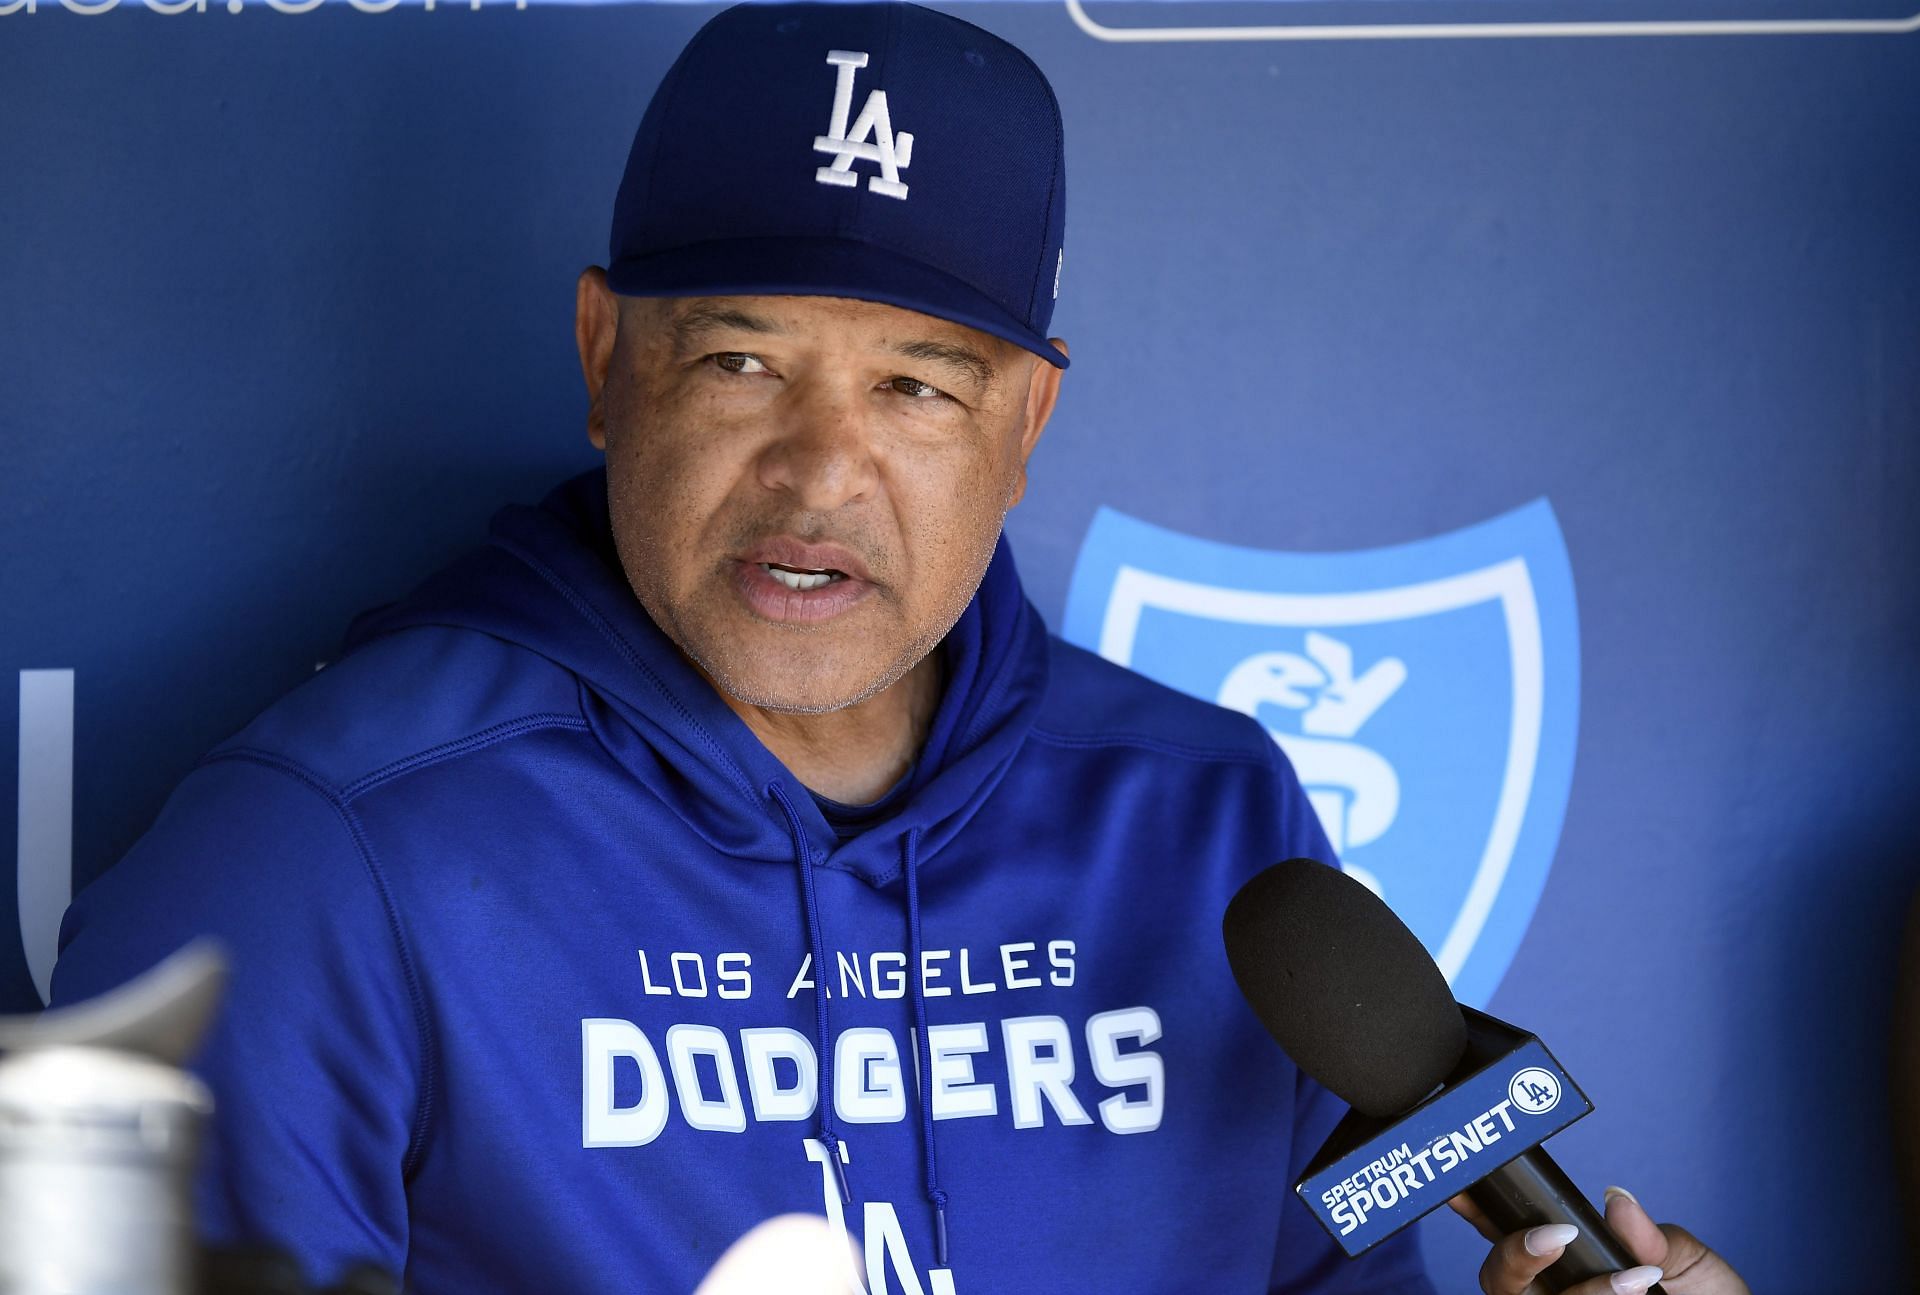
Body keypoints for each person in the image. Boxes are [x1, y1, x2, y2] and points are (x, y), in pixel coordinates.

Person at [49, 4, 1749, 1292]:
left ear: (1028, 423)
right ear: (601, 356)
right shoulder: (323, 848)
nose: (818, 474)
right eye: (741, 364)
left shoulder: (1207, 822)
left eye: (918, 387)